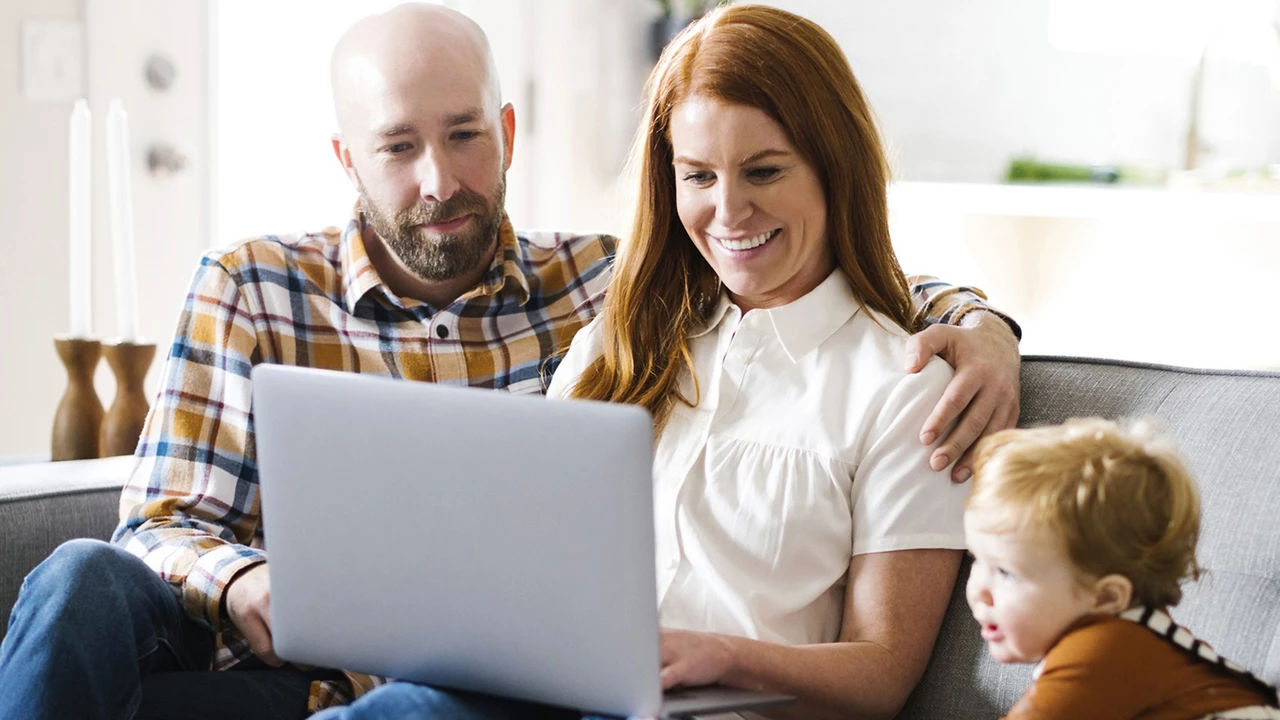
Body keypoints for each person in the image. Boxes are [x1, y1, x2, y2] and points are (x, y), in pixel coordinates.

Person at [0, 4, 1019, 719]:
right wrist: (245, 586)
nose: (438, 179)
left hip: (470, 695)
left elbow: (819, 279)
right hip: (263, 671)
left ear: (508, 134)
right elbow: (160, 525)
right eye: (397, 147)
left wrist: (983, 327)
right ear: (347, 159)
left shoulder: (605, 293)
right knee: (80, 574)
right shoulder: (254, 284)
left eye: (463, 137)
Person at [318, 4, 976, 719]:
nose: (729, 212)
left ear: (833, 166)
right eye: (698, 177)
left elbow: (881, 675)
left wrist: (722, 656)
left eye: (763, 171)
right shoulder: (615, 344)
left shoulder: (903, 389)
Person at [965, 417, 1280, 719]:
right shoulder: (1140, 640)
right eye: (976, 559)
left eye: (1006, 572)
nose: (980, 591)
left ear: (1105, 598)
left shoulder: (1105, 652)